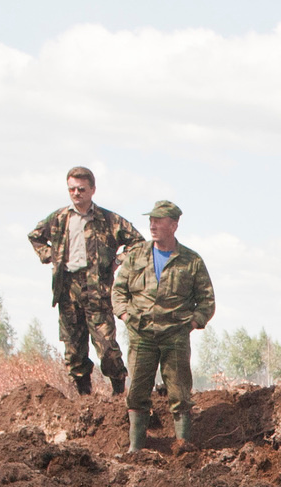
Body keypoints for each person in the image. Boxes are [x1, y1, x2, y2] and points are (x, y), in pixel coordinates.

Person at [26, 168, 142, 396]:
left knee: (108, 348)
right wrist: (53, 257)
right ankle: (84, 399)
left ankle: (119, 394)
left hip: (98, 291)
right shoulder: (60, 218)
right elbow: (35, 237)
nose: (76, 193)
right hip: (68, 290)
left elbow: (137, 243)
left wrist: (117, 260)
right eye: (72, 189)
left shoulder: (108, 220)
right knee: (74, 352)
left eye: (81, 189)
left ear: (92, 190)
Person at [110, 200, 215, 453]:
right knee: (136, 392)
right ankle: (135, 449)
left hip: (175, 338)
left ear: (174, 225)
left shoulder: (191, 261)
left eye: (159, 221)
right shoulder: (136, 257)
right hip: (141, 335)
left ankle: (183, 447)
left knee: (180, 394)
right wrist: (125, 316)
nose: (153, 225)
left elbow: (207, 300)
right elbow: (118, 291)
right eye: (151, 220)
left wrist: (192, 323)